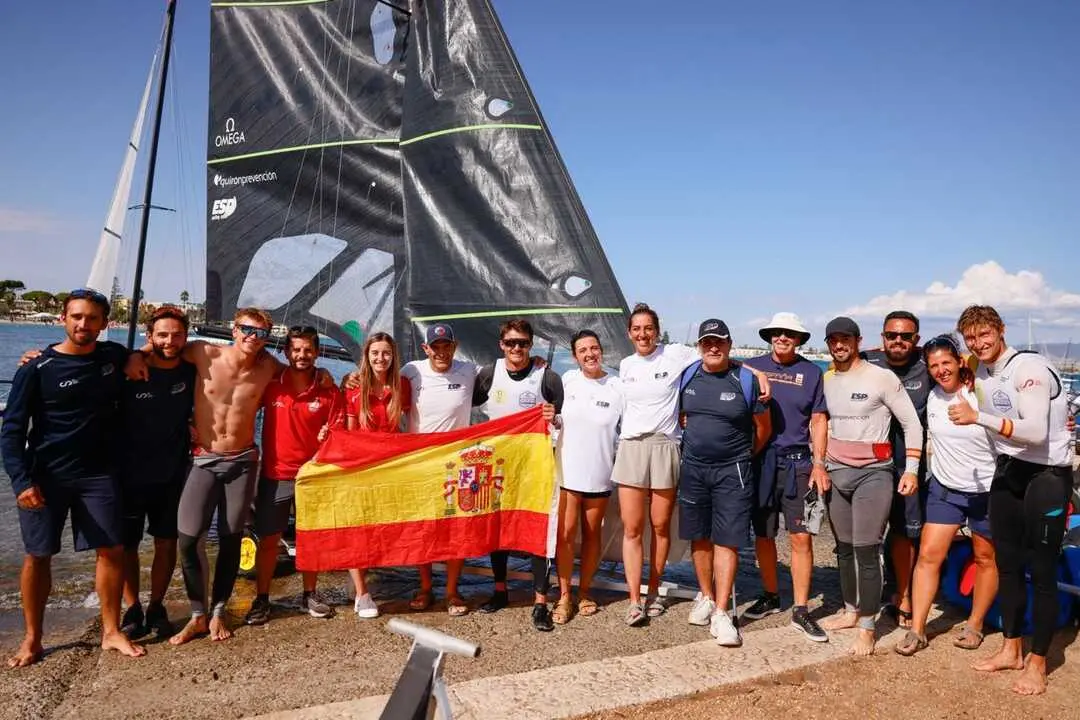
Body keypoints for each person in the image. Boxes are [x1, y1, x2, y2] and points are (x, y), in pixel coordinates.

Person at [125, 307, 331, 644]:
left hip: (243, 461)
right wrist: (136, 355)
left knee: (231, 538)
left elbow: (302, 371)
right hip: (204, 459)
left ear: (267, 338)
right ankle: (197, 614)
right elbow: (165, 346)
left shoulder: (270, 368)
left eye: (260, 333)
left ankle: (218, 611)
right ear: (234, 330)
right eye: (246, 329)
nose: (252, 337)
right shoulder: (204, 352)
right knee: (188, 539)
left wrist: (325, 374)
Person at [1, 288, 146, 666]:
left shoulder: (111, 356)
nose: (84, 324)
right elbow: (12, 430)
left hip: (99, 475)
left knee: (111, 549)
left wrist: (134, 356)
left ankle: (111, 631)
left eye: (92, 318)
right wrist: (20, 481)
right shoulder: (36, 368)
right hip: (45, 476)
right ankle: (32, 638)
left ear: (104, 323)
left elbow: (138, 354)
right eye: (77, 316)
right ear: (63, 319)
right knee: (38, 555)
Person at [615, 303, 771, 626]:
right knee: (632, 528)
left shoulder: (675, 355)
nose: (643, 334)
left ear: (657, 332)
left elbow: (717, 356)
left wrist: (756, 372)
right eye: (637, 329)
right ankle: (634, 600)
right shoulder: (625, 365)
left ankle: (654, 592)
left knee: (660, 526)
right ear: (629, 333)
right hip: (632, 446)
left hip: (665, 446)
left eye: (648, 328)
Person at [951, 305, 1073, 695]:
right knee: (1007, 566)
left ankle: (1038, 662)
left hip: (1047, 474)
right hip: (1009, 471)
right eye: (971, 338)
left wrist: (977, 417)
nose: (978, 344)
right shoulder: (981, 369)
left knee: (1042, 570)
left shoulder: (1029, 368)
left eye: (985, 334)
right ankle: (1011, 648)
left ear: (1001, 330)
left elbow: (1035, 431)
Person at [819, 316, 922, 656]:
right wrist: (819, 464)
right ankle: (851, 611)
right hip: (836, 472)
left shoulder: (881, 377)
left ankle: (867, 627)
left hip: (873, 474)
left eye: (845, 339)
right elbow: (818, 424)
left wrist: (911, 470)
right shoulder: (826, 379)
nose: (839, 345)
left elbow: (912, 424)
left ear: (858, 341)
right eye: (833, 340)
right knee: (844, 548)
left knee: (866, 550)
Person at [895, 334, 996, 656]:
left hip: (987, 490)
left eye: (946, 362)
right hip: (946, 488)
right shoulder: (932, 397)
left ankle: (975, 624)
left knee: (985, 557)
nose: (941, 370)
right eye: (934, 365)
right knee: (928, 556)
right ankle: (917, 630)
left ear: (959, 360)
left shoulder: (981, 391)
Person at [677, 319, 770, 647]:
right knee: (699, 536)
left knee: (727, 539)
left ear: (729, 345)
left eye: (719, 342)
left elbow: (763, 428)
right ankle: (705, 595)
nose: (713, 347)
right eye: (707, 342)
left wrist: (742, 456)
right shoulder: (688, 375)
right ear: (699, 346)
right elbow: (681, 417)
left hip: (733, 471)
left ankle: (721, 611)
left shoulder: (745, 379)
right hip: (694, 469)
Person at [245, 326, 343, 626]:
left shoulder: (329, 390)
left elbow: (340, 431)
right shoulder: (272, 384)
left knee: (309, 539)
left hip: (313, 477)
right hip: (275, 475)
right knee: (269, 540)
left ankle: (309, 593)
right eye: (296, 349)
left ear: (317, 352)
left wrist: (329, 435)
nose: (302, 355)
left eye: (308, 350)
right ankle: (262, 598)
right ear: (287, 352)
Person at [741, 312, 830, 643]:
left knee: (801, 537)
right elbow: (719, 365)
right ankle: (771, 595)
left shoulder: (812, 372)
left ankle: (802, 609)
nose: (782, 337)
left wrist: (819, 463)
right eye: (777, 332)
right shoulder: (752, 367)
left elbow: (818, 420)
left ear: (799, 339)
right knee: (764, 535)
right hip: (761, 461)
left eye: (789, 334)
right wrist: (752, 372)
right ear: (769, 336)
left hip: (798, 464)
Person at [472, 319, 562, 631]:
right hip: (498, 467)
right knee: (498, 529)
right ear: (502, 344)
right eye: (511, 342)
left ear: (531, 345)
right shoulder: (488, 374)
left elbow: (563, 417)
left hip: (534, 469)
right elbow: (460, 400)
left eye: (522, 343)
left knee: (537, 531)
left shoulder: (547, 376)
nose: (516, 348)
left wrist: (556, 417)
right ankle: (500, 591)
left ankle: (540, 603)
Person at [117, 306, 196, 640]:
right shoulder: (129, 369)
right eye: (162, 335)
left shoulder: (191, 371)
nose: (169, 341)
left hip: (172, 473)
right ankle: (132, 607)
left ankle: (156, 606)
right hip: (129, 475)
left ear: (186, 337)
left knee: (166, 543)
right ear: (149, 336)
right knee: (126, 546)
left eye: (177, 335)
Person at [400, 323, 480, 616]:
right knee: (423, 528)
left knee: (457, 529)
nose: (441, 352)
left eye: (447, 346)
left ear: (454, 347)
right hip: (421, 464)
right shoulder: (411, 370)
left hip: (460, 464)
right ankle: (425, 587)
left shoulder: (469, 371)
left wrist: (536, 364)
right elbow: (380, 383)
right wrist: (352, 378)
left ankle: (452, 591)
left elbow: (505, 373)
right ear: (426, 349)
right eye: (436, 347)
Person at [552, 330, 623, 625]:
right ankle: (564, 595)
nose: (589, 354)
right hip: (568, 472)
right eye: (582, 350)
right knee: (565, 534)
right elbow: (555, 417)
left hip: (600, 473)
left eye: (594, 348)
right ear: (574, 357)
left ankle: (584, 592)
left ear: (601, 351)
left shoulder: (617, 385)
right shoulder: (566, 381)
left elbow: (630, 425)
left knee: (593, 535)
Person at [864, 310, 930, 629]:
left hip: (909, 465)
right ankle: (864, 594)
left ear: (916, 339)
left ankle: (903, 595)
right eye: (892, 335)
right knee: (866, 532)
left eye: (906, 336)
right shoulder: (867, 361)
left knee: (905, 533)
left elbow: (965, 369)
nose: (898, 341)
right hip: (870, 463)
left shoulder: (928, 364)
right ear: (883, 338)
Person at [343, 331, 412, 619]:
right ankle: (362, 594)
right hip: (362, 468)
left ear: (393, 356)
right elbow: (349, 434)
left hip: (390, 469)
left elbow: (406, 427)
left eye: (386, 353)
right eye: (375, 353)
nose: (380, 358)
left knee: (382, 529)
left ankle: (366, 580)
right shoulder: (354, 386)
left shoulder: (403, 385)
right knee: (358, 530)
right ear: (367, 356)